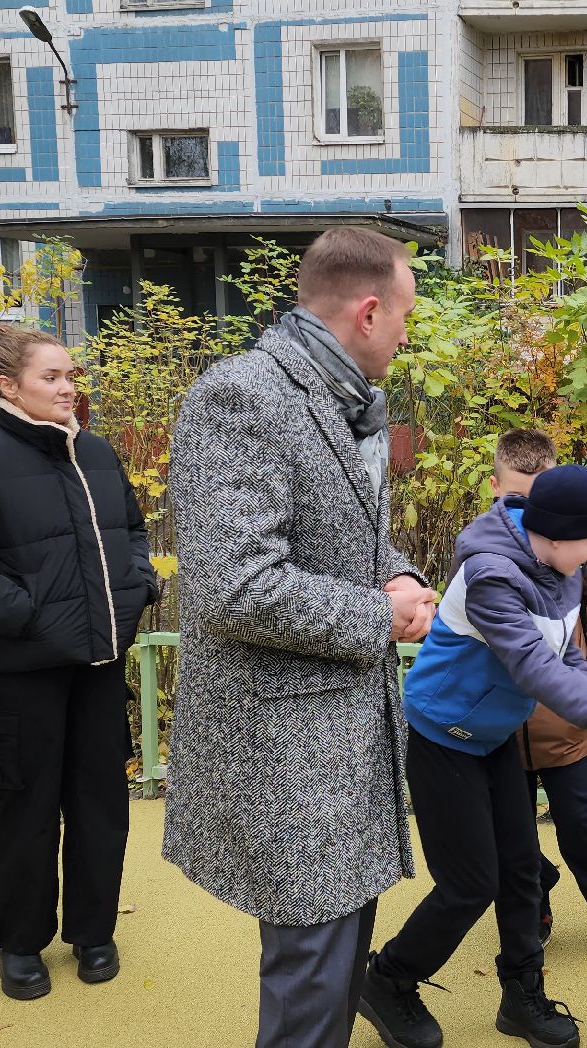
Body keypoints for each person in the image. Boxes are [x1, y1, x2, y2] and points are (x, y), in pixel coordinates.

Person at [163, 227, 439, 1048]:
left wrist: (397, 573)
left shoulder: (341, 395)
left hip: (339, 743)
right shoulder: (244, 395)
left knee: (334, 974)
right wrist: (377, 617)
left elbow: (339, 535)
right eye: (404, 316)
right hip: (290, 752)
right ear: (366, 310)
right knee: (312, 987)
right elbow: (235, 586)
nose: (404, 333)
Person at [361, 464, 587, 1048]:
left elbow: (566, 654)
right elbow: (532, 664)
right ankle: (390, 979)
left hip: (496, 733)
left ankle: (521, 995)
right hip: (442, 736)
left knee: (521, 870)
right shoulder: (490, 577)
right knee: (470, 883)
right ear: (554, 534)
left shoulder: (562, 569)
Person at [0, 323, 159, 1000]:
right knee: (23, 811)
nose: (68, 388)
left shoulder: (98, 454)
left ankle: (94, 932)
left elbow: (134, 533)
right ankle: (20, 943)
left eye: (71, 376)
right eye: (52, 377)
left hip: (99, 665)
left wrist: (138, 586)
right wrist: (32, 618)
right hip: (19, 674)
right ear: (8, 386)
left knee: (100, 805)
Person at [490, 431, 587, 950]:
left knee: (582, 822)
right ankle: (533, 894)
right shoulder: (482, 548)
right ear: (495, 487)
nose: (533, 513)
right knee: (508, 829)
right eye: (518, 498)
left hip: (565, 720)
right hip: (500, 726)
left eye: (540, 496)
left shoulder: (582, 548)